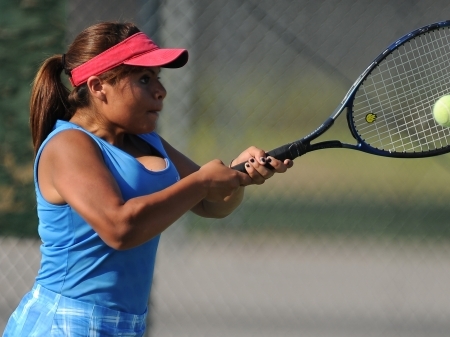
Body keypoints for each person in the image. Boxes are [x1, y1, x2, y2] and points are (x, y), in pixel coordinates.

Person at [2, 21, 292, 337]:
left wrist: (238, 180)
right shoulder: (68, 145)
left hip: (127, 326)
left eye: (158, 78)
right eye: (143, 78)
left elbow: (212, 205)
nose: (161, 90)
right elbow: (120, 228)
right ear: (98, 86)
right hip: (64, 323)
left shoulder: (148, 140)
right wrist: (201, 182)